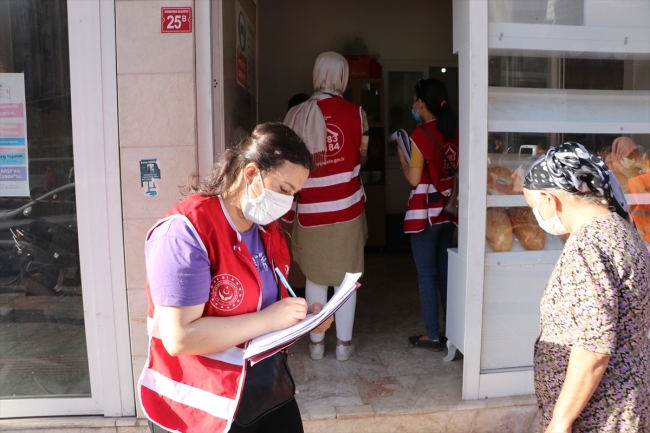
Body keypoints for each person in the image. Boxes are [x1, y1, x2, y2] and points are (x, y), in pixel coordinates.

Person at [140, 122, 333, 433]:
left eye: (294, 194)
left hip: (260, 391)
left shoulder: (265, 229)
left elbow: (267, 309)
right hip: (199, 408)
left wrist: (304, 320)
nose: (288, 203)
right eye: (284, 190)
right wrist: (271, 319)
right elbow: (180, 337)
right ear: (251, 173)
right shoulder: (184, 233)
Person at [522, 142, 650, 433]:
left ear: (550, 199)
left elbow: (593, 350)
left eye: (534, 207)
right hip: (625, 399)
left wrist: (561, 421)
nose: (537, 215)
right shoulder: (619, 230)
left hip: (599, 413)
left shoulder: (589, 247)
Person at [283, 52, 368, 361]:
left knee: (315, 278)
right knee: (347, 281)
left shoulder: (294, 114)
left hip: (309, 211)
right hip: (348, 210)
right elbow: (363, 157)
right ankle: (344, 346)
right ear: (343, 77)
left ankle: (317, 344)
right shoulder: (358, 114)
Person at [397, 78, 459, 352]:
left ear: (421, 103)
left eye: (414, 99)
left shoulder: (420, 135)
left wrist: (401, 155)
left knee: (426, 275)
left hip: (425, 214)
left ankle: (433, 335)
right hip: (448, 211)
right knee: (445, 274)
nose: (413, 105)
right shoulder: (455, 131)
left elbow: (413, 178)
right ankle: (450, 331)